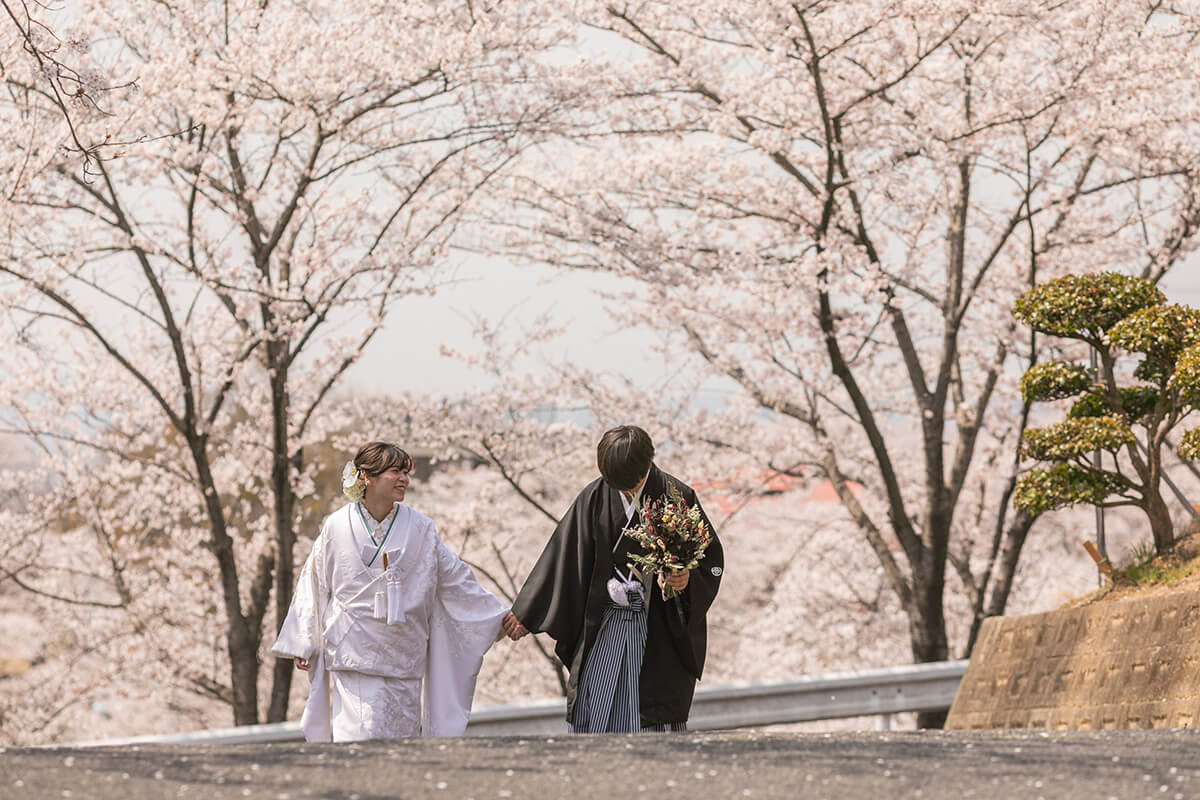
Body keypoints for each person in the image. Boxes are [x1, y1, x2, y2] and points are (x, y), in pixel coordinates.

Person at [272, 441, 508, 742]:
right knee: (359, 738)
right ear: (366, 477)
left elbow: (456, 579)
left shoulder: (421, 528)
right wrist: (303, 639)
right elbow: (314, 583)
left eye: (405, 472)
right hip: (354, 655)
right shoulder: (336, 526)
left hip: (403, 657)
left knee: (403, 742)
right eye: (395, 471)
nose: (404, 479)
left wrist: (500, 616)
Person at [501, 425, 723, 733]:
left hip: (657, 631)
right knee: (595, 710)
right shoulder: (594, 496)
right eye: (617, 485)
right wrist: (529, 610)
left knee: (653, 719)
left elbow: (708, 560)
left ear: (649, 464)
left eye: (633, 484)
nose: (627, 492)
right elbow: (564, 553)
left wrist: (683, 580)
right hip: (605, 624)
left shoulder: (677, 497)